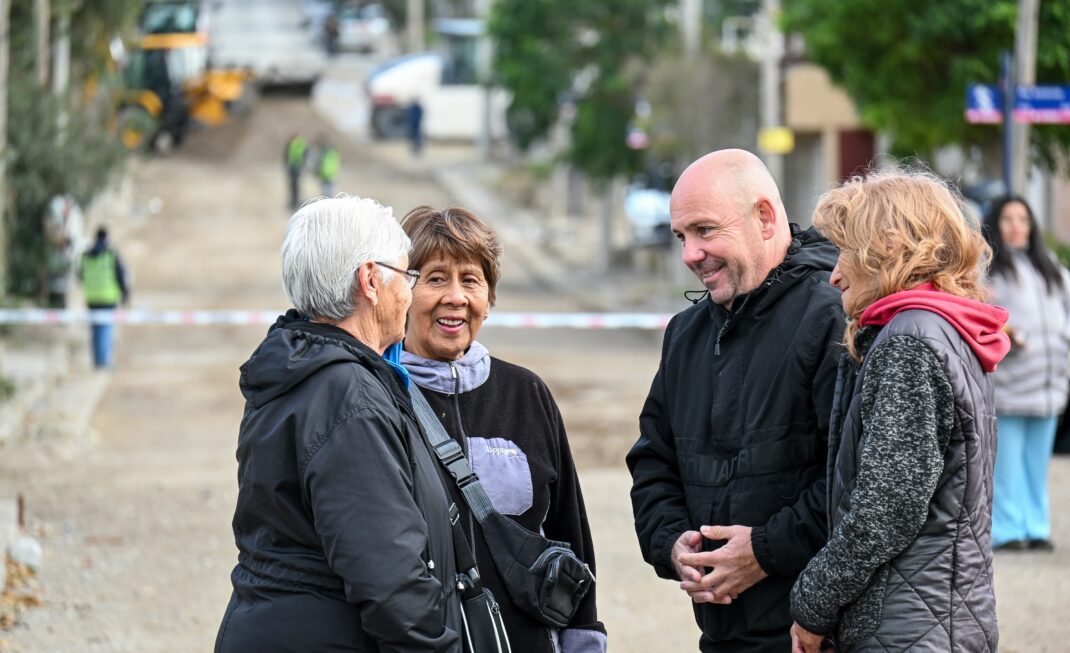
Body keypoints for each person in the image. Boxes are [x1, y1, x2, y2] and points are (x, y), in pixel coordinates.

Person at [215, 196, 461, 652]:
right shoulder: (350, 399)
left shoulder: (298, 368)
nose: (409, 293)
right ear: (371, 280)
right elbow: (390, 583)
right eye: (407, 276)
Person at [625, 148, 845, 652]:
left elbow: (854, 480)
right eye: (682, 236)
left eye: (704, 230)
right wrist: (671, 543)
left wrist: (763, 552)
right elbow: (653, 461)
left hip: (815, 637)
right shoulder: (685, 334)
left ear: (764, 218)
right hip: (722, 637)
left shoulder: (832, 317)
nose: (689, 254)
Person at [788, 170, 1008, 653]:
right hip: (938, 620)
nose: (834, 273)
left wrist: (811, 604)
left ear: (887, 247)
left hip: (908, 632)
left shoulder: (909, 341)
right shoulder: (948, 331)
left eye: (846, 251)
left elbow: (886, 506)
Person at [399, 205, 607, 653]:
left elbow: (571, 533)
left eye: (471, 280)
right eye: (435, 278)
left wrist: (584, 641)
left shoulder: (527, 395)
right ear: (403, 292)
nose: (455, 296)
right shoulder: (379, 396)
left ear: (488, 299)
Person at [981, 196, 1070, 552]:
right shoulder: (988, 268)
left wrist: (1067, 339)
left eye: (1023, 218)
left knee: (1036, 465)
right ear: (997, 223)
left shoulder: (1050, 266)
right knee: (1007, 467)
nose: (1016, 225)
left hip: (1048, 385)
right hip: (1010, 384)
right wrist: (1010, 338)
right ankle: (1008, 530)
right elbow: (982, 312)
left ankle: (1036, 525)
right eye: (1009, 218)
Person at [78, 226, 130, 369]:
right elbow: (120, 276)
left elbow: (80, 276)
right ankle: (103, 362)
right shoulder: (111, 255)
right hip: (108, 298)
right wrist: (125, 293)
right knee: (105, 330)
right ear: (106, 238)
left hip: (91, 298)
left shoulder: (86, 255)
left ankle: (97, 360)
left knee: (95, 330)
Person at [284, 133, 309, 210]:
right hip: (299, 166)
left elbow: (286, 155)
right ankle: (297, 202)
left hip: (292, 166)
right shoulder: (302, 144)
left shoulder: (291, 143)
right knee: (297, 185)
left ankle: (293, 202)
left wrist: (286, 165)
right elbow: (306, 154)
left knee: (292, 185)